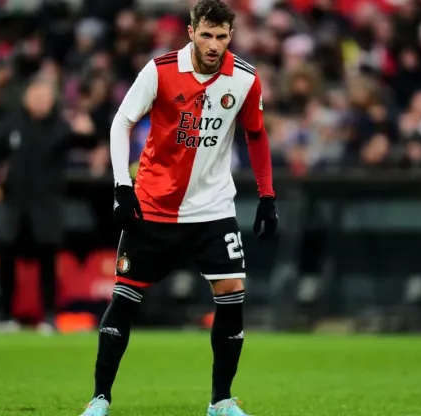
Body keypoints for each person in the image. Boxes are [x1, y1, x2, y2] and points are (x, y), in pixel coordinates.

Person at [80, 1, 278, 415]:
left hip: (212, 206)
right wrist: (122, 186)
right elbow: (122, 122)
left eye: (222, 37)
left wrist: (267, 196)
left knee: (232, 293)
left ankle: (221, 401)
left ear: (231, 36)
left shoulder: (243, 79)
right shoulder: (160, 70)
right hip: (154, 205)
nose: (213, 44)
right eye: (206, 35)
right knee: (126, 296)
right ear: (190, 31)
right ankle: (99, 399)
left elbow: (256, 136)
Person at [0, 77, 97, 334]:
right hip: (14, 203)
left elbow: (86, 143)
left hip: (46, 205)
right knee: (6, 258)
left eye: (46, 99)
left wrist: (88, 132)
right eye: (37, 97)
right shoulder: (13, 123)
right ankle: (5, 316)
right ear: (27, 98)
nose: (41, 103)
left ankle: (48, 316)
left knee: (48, 261)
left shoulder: (60, 127)